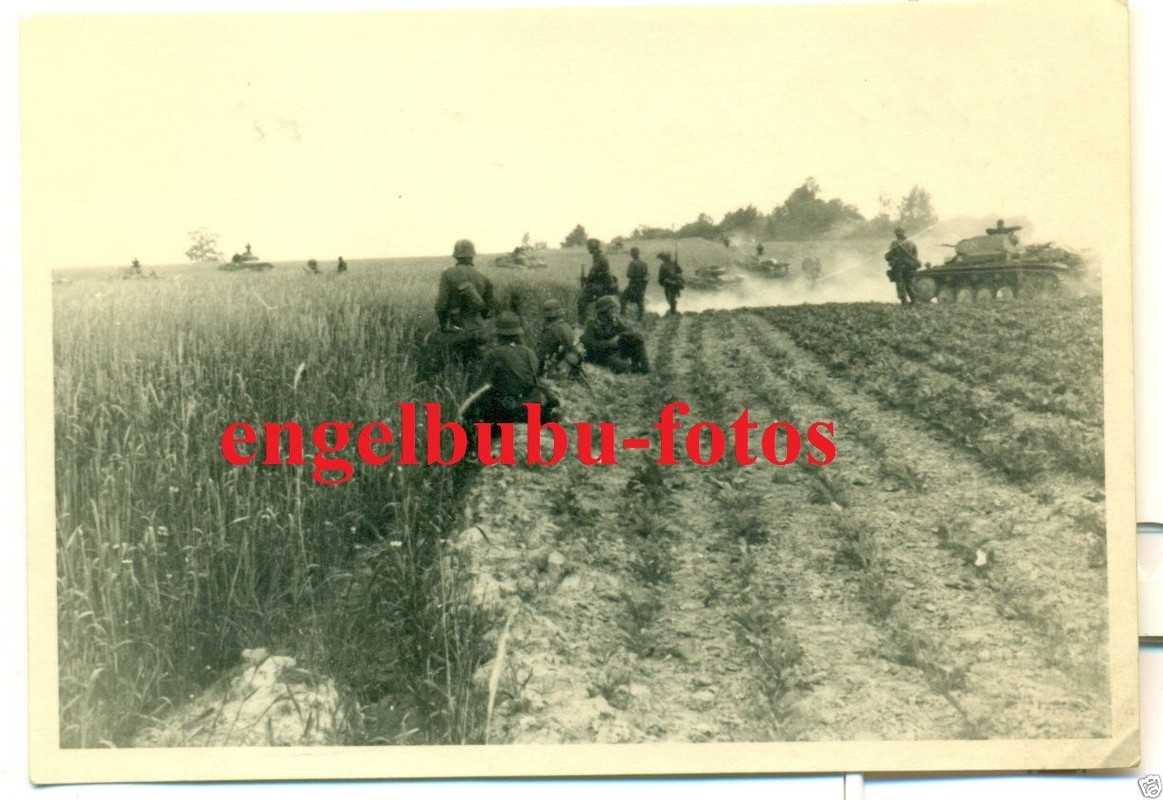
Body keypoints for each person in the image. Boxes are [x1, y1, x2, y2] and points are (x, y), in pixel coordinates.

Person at [464, 311, 561, 439]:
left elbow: (480, 388)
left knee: (480, 405)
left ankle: (472, 450)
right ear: (518, 334)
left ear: (499, 334)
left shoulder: (494, 354)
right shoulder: (529, 352)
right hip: (532, 410)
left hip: (508, 412)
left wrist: (467, 407)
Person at [435, 239, 496, 364]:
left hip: (457, 331)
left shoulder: (448, 273)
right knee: (478, 368)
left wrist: (443, 325)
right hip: (479, 330)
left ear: (456, 256)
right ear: (472, 255)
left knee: (457, 368)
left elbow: (441, 306)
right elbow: (488, 309)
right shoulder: (482, 276)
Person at [581, 295, 650, 374]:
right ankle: (633, 369)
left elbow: (627, 331)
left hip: (615, 351)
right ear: (604, 310)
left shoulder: (615, 321)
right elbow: (590, 344)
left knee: (637, 339)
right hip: (603, 356)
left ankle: (646, 369)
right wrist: (609, 343)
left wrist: (619, 336)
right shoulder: (592, 325)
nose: (615, 312)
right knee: (622, 366)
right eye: (612, 309)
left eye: (615, 309)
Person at [538, 298, 583, 379]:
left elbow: (542, 356)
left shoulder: (551, 331)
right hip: (570, 367)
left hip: (558, 370)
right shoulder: (566, 326)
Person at [577, 238, 619, 321]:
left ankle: (582, 322)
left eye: (588, 247)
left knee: (581, 300)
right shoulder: (600, 256)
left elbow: (592, 273)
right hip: (605, 284)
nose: (587, 248)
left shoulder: (599, 258)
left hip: (603, 286)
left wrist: (586, 281)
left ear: (593, 247)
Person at [884, 226, 920, 305]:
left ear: (896, 234)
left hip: (899, 267)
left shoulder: (894, 243)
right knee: (909, 284)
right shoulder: (911, 243)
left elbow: (887, 256)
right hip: (910, 268)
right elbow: (915, 257)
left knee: (900, 285)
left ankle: (904, 301)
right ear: (904, 233)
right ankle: (914, 300)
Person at [621, 246, 649, 321]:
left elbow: (629, 275)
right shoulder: (644, 264)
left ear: (632, 254)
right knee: (640, 301)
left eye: (631, 253)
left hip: (633, 285)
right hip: (641, 286)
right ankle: (640, 317)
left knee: (623, 297)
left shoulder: (632, 263)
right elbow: (647, 275)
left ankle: (623, 313)